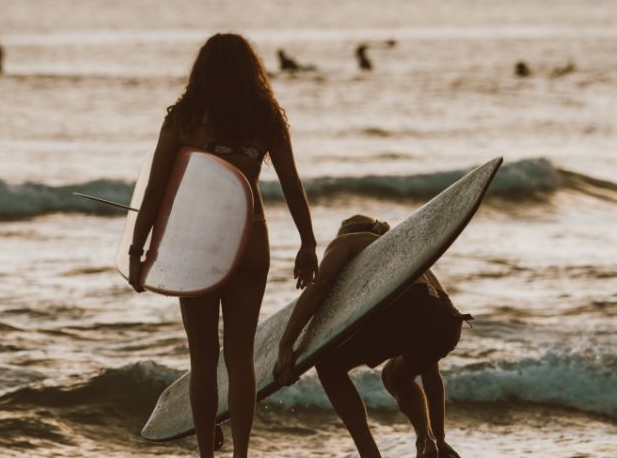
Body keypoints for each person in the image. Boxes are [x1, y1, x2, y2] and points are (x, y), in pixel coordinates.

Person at [127, 33, 317, 458]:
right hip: (251, 238)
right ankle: (242, 454)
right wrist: (308, 242)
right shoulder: (266, 116)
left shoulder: (186, 116)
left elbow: (156, 189)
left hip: (197, 243)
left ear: (203, 70)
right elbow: (291, 184)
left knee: (203, 359)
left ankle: (207, 456)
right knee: (240, 356)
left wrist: (136, 252)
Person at [274, 215, 469, 458]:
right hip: (448, 321)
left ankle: (369, 454)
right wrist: (441, 439)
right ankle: (427, 441)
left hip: (411, 306)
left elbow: (321, 285)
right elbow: (432, 374)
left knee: (328, 365)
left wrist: (286, 345)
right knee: (395, 376)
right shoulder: (410, 256)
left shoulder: (347, 242)